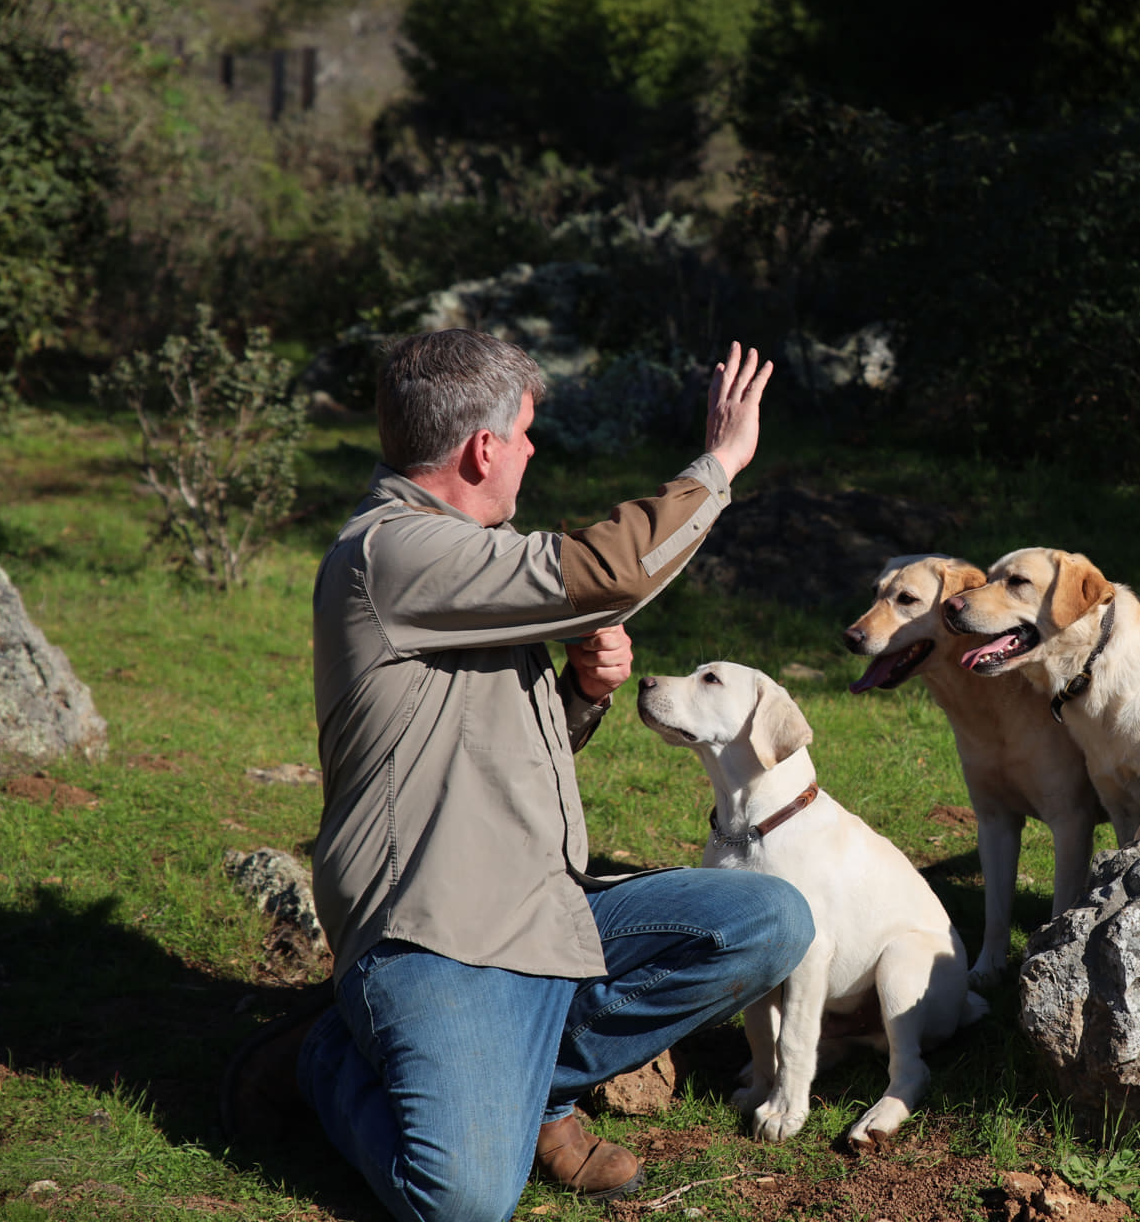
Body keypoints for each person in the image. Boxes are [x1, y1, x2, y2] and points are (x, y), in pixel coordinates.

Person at [222, 329, 814, 1221]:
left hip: (539, 912)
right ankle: (326, 1057)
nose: (533, 451)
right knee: (460, 1202)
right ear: (481, 448)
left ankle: (530, 1087)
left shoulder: (467, 560)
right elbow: (608, 572)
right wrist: (721, 463)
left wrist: (582, 691)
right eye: (526, 434)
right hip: (433, 934)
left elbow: (507, 756)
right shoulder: (396, 554)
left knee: (769, 918)